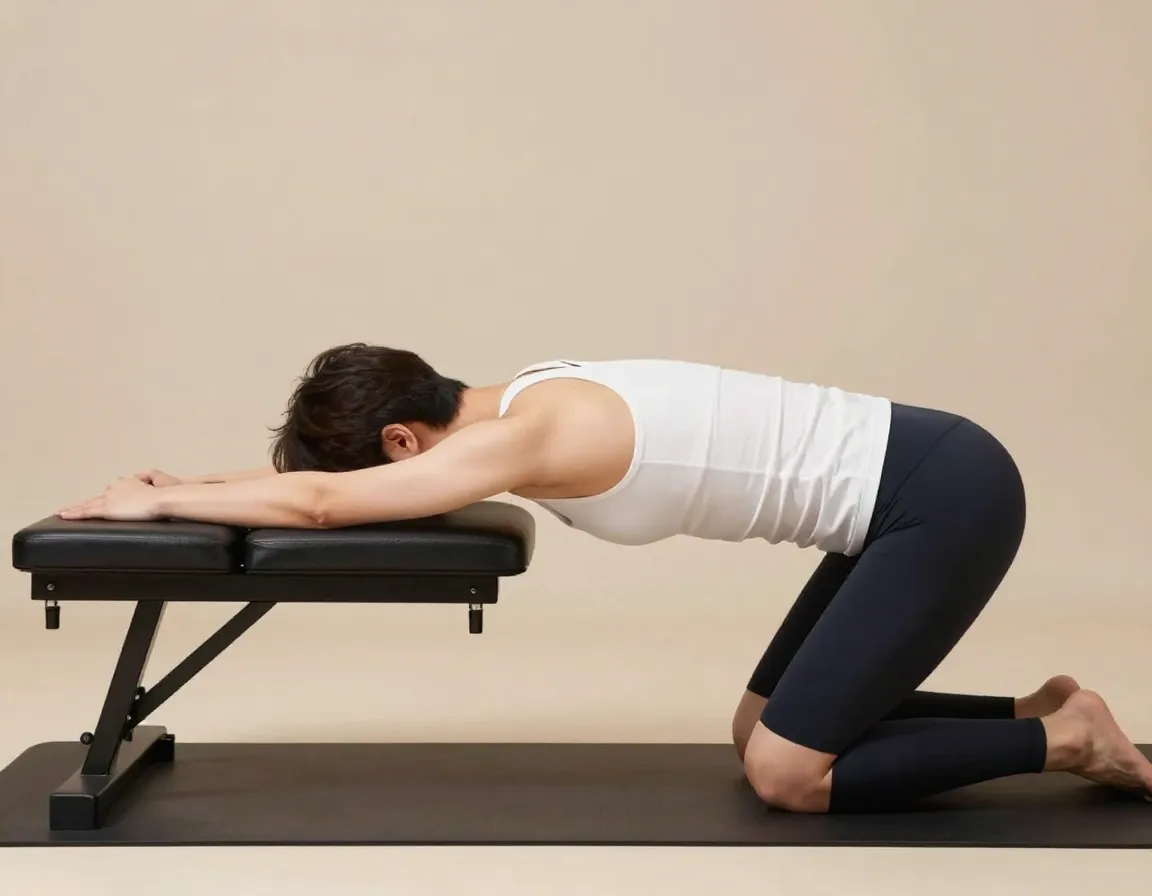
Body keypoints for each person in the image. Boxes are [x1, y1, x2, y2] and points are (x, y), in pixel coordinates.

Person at [57, 343, 1152, 812]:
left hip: (940, 496)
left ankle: (1065, 739)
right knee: (762, 721)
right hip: (910, 480)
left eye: (397, 465)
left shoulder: (532, 433)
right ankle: (1033, 708)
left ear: (403, 437)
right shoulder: (512, 397)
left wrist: (160, 503)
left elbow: (324, 503)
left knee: (787, 773)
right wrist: (195, 476)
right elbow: (329, 486)